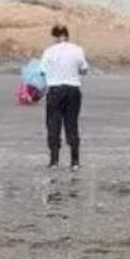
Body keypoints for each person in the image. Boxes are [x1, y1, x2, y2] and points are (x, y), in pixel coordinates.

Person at [41, 25, 89, 170]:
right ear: (67, 35)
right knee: (72, 124)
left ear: (55, 37)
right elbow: (84, 70)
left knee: (53, 125)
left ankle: (54, 161)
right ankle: (75, 161)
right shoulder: (78, 49)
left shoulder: (49, 51)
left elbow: (43, 71)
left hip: (55, 90)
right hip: (73, 90)